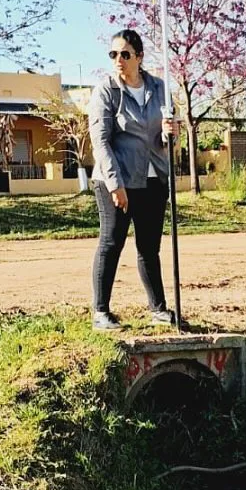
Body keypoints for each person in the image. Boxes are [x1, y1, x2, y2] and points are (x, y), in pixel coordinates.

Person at [87, 28, 177, 331]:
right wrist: (115, 184)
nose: (118, 60)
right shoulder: (106, 92)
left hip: (153, 179)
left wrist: (169, 133)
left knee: (149, 247)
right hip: (118, 180)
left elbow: (163, 141)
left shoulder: (159, 88)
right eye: (113, 54)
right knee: (111, 243)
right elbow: (101, 142)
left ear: (139, 57)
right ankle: (101, 312)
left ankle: (159, 309)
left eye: (125, 54)